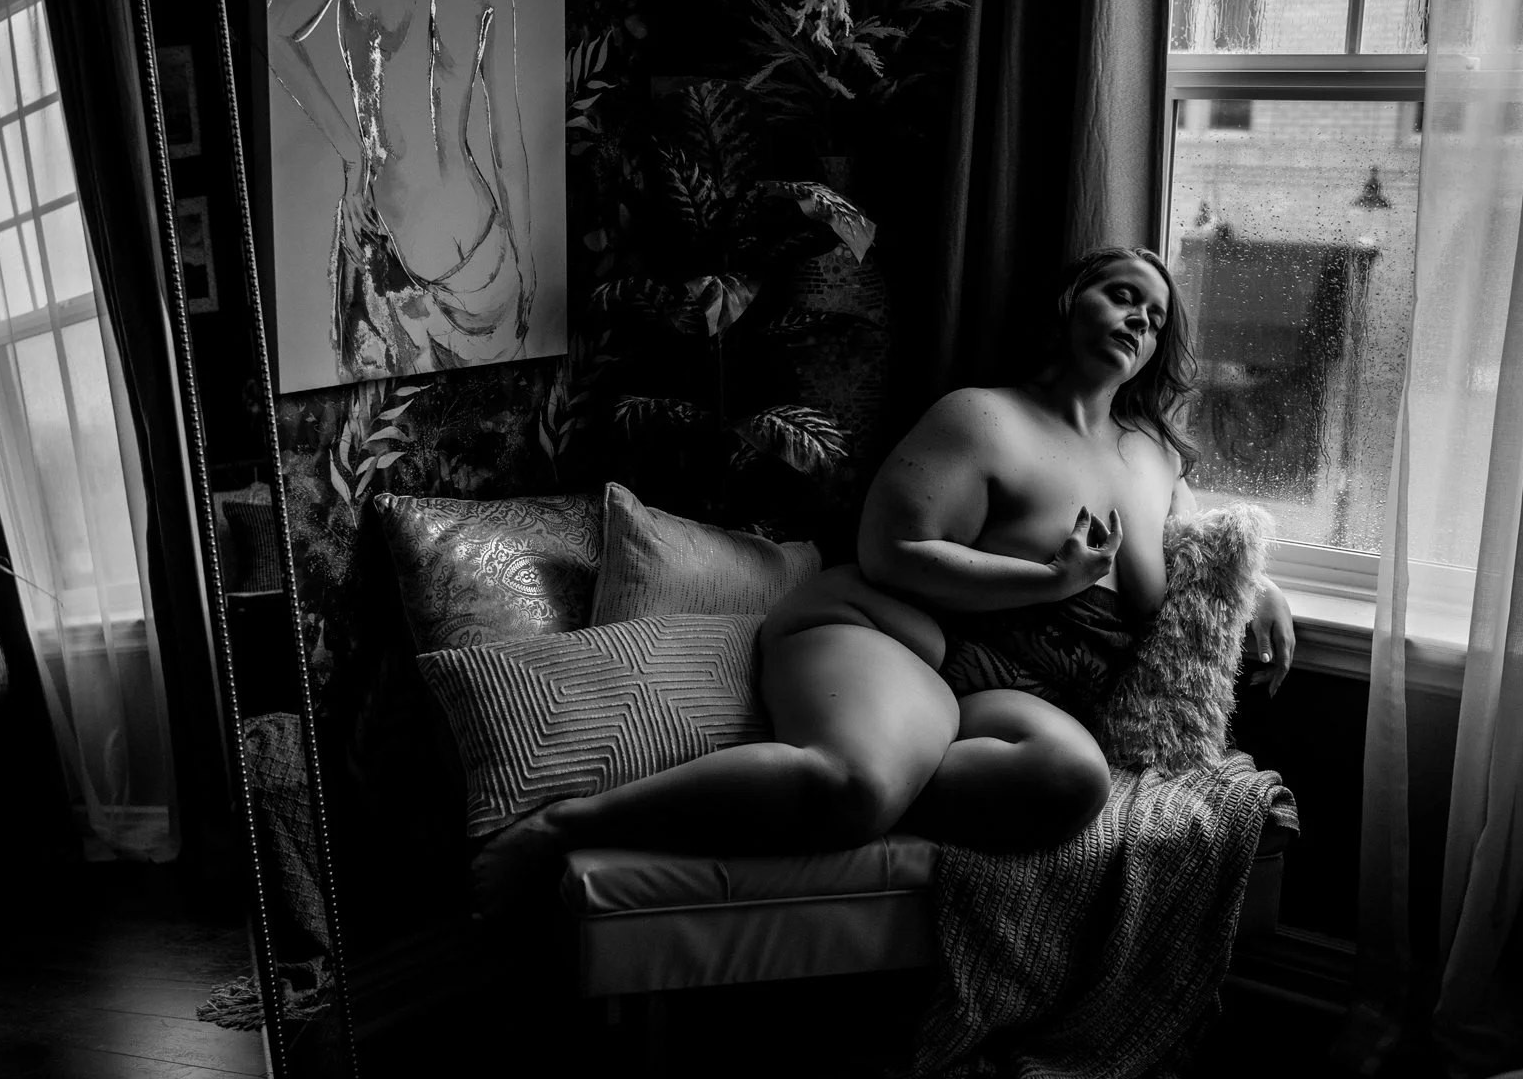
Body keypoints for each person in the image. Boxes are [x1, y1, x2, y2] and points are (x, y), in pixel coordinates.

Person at [473, 247, 1295, 908]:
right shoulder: (984, 417)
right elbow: (892, 550)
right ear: (1068, 303)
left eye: (1155, 317)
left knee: (1071, 779)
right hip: (892, 632)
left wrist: (1258, 587)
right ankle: (566, 826)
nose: (1140, 319)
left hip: (1011, 692)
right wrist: (1050, 578)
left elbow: (1192, 543)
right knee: (857, 785)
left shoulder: (1153, 454)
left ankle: (896, 759)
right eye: (1122, 295)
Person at [266, 0, 536, 384]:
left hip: (395, 249)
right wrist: (526, 261)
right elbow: (507, 143)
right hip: (479, 252)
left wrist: (354, 155)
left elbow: (273, 30)